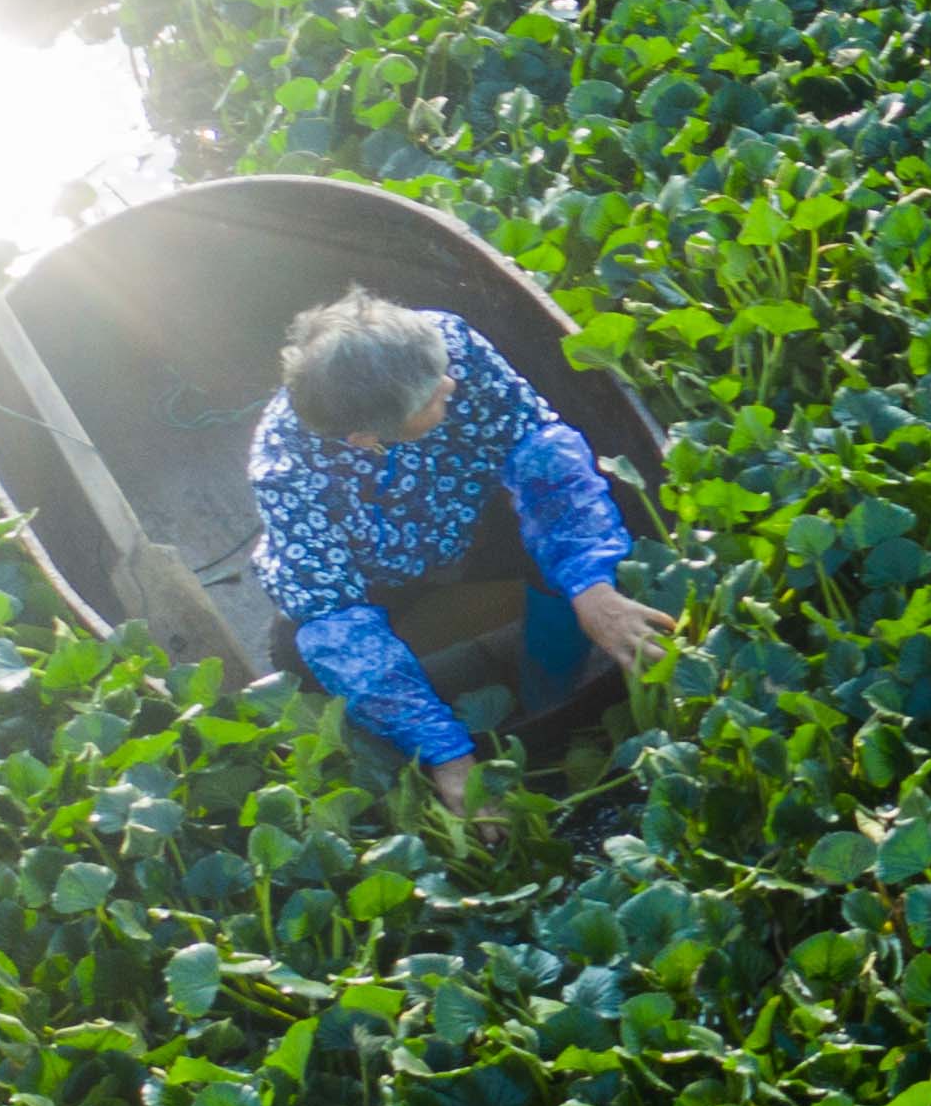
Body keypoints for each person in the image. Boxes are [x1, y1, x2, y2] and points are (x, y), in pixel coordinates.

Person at [252, 292, 669, 806]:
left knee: (566, 552)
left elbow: (541, 452)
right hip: (377, 569)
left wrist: (590, 584)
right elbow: (338, 623)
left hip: (472, 520)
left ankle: (549, 698)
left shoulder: (447, 345)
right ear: (366, 439)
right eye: (430, 400)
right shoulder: (288, 473)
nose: (450, 384)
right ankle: (409, 739)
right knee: (300, 651)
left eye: (441, 372)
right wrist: (445, 753)